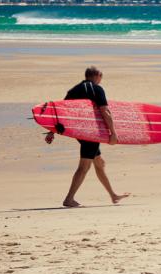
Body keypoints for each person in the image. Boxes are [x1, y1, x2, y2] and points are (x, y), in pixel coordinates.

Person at [46, 66, 129, 207]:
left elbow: (60, 112)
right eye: (101, 76)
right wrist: (113, 133)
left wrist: (51, 131)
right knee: (84, 166)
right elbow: (105, 112)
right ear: (97, 76)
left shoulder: (74, 90)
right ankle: (69, 199)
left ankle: (113, 195)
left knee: (99, 163)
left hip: (80, 132)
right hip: (92, 133)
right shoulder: (97, 89)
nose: (101, 80)